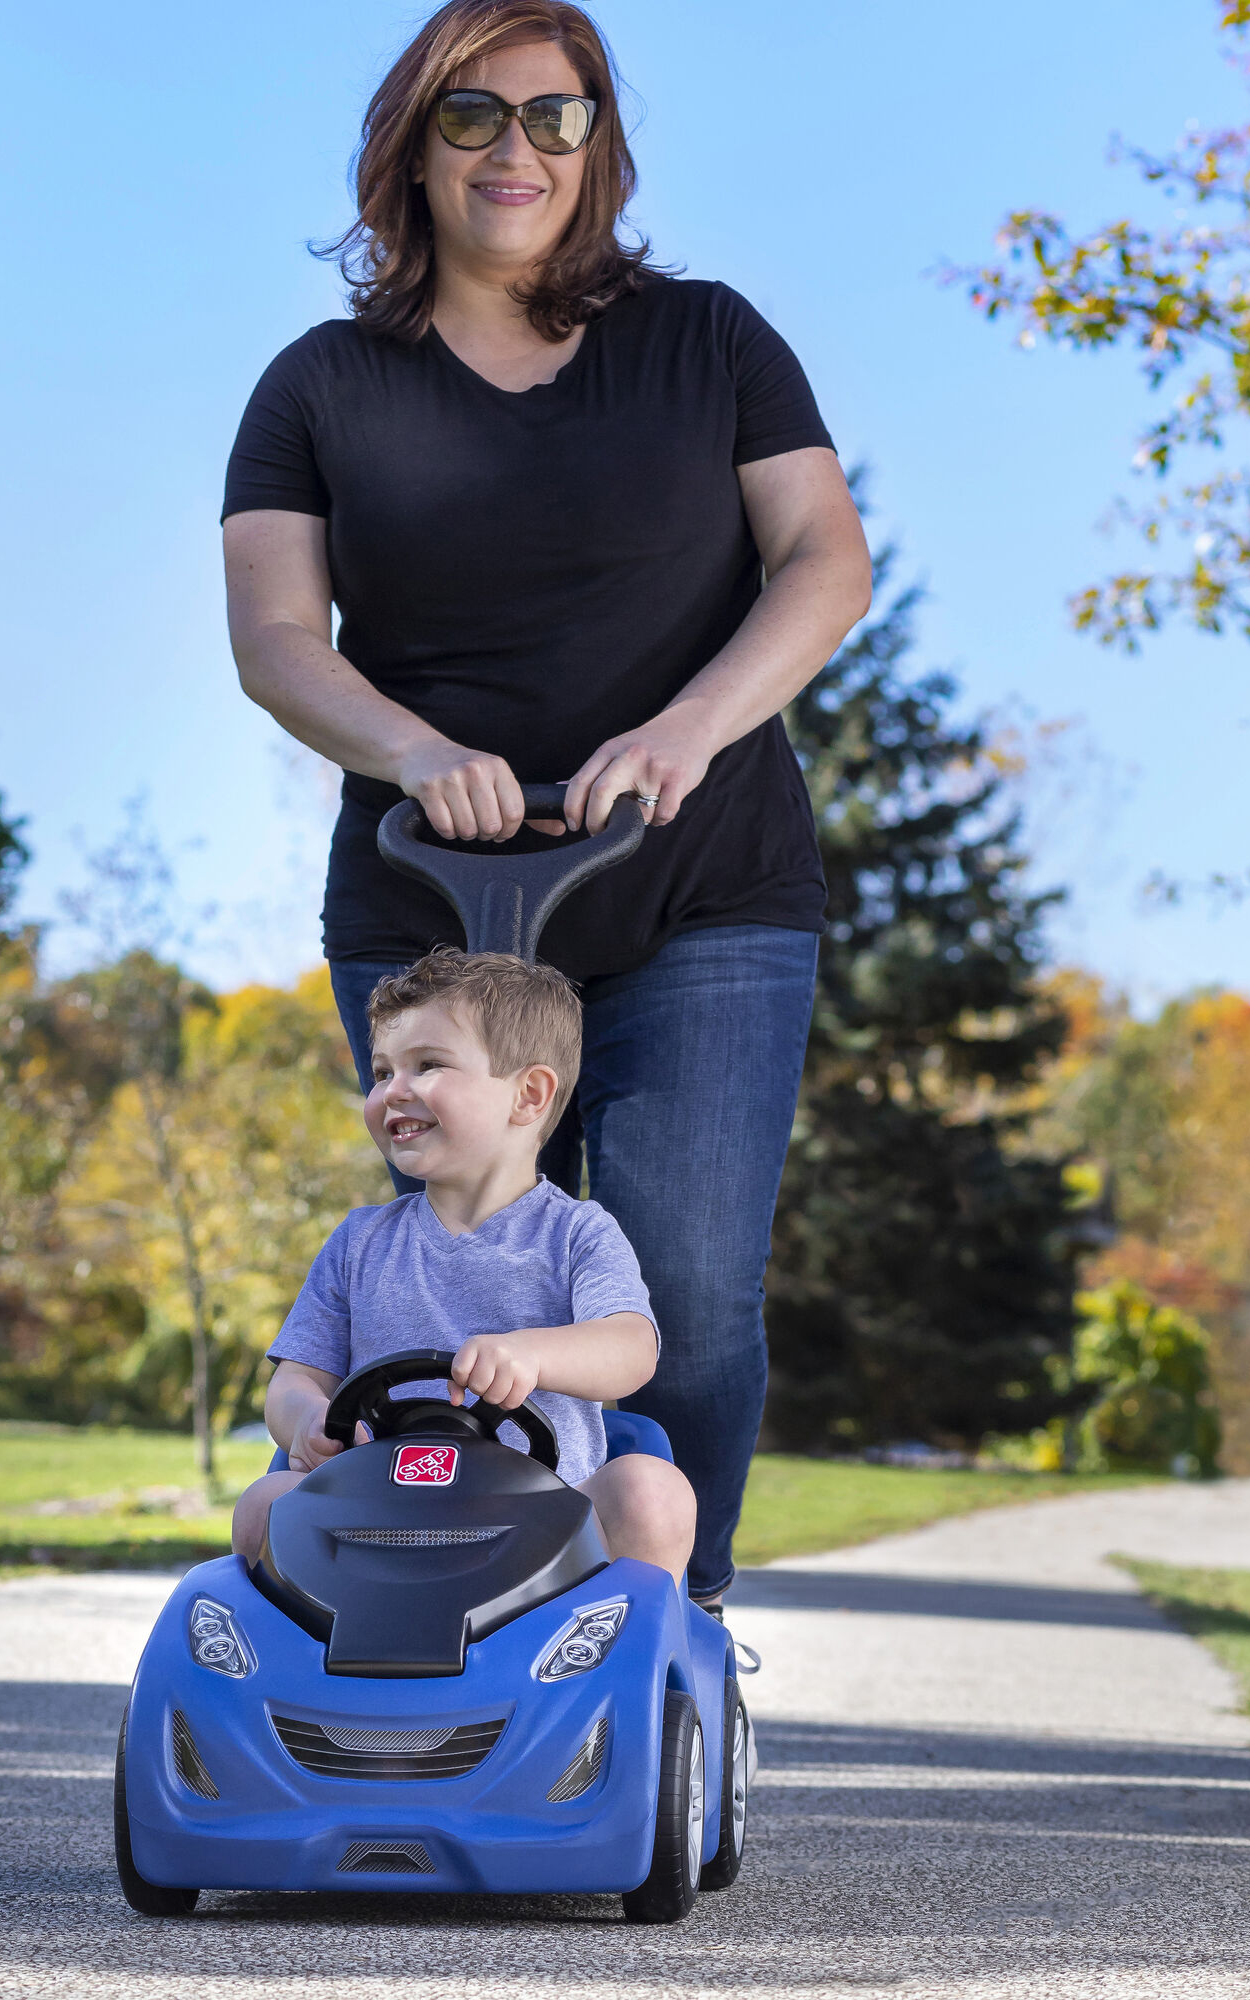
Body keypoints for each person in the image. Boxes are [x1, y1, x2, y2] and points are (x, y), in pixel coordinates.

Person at [222, 0, 871, 1610]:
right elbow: (275, 640)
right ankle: (449, 1622)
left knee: (697, 1294)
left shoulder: (708, 341)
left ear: (597, 146)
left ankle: (671, 1621)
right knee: (447, 1294)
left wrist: (695, 725)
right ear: (412, 143)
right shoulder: (321, 385)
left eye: (555, 117)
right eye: (474, 115)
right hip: (435, 912)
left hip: (698, 889)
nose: (517, 150)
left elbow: (824, 561)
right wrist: (411, 749)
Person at [229, 949, 694, 1575]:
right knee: (264, 1504)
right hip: (378, 1514)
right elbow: (294, 1379)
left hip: (546, 1523)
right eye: (382, 1071)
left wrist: (532, 1354)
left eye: (427, 1065)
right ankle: (296, 1668)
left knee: (653, 1491)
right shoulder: (360, 1240)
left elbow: (631, 1348)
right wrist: (309, 1419)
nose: (393, 1091)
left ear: (527, 1095)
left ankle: (627, 1659)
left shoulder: (578, 1233)